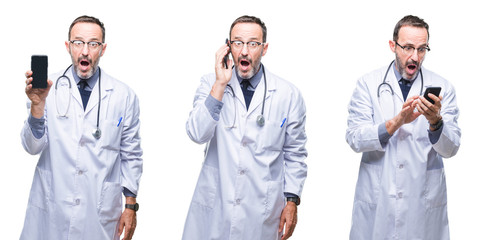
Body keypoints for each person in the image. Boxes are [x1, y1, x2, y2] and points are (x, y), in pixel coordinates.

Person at [182, 15, 308, 240]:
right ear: (228, 46)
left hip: (261, 210)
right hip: (215, 208)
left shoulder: (288, 94)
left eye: (253, 43)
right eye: (237, 43)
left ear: (264, 48)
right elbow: (196, 133)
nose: (244, 51)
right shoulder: (210, 83)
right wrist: (220, 84)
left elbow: (295, 154)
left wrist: (292, 201)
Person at [21, 15, 142, 240]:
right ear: (68, 46)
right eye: (78, 42)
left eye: (93, 43)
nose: (85, 51)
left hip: (98, 211)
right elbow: (32, 147)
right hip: (52, 208)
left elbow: (131, 155)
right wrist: (37, 106)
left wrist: (130, 205)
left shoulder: (123, 96)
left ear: (103, 49)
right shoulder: (46, 89)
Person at [346, 15, 461, 239]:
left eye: (421, 49)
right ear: (393, 45)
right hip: (379, 204)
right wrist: (396, 122)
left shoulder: (444, 88)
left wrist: (435, 122)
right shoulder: (368, 84)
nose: (415, 57)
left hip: (423, 205)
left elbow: (451, 148)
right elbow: (354, 138)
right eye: (408, 48)